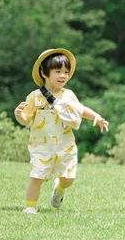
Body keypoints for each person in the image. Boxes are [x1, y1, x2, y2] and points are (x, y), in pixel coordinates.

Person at [14, 48, 109, 214]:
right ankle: (30, 206)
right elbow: (26, 119)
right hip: (41, 145)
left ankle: (59, 188)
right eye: (58, 72)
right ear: (45, 73)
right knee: (37, 176)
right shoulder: (35, 97)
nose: (63, 76)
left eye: (66, 72)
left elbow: (80, 109)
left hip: (65, 146)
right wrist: (19, 115)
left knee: (68, 178)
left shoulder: (68, 95)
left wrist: (97, 117)